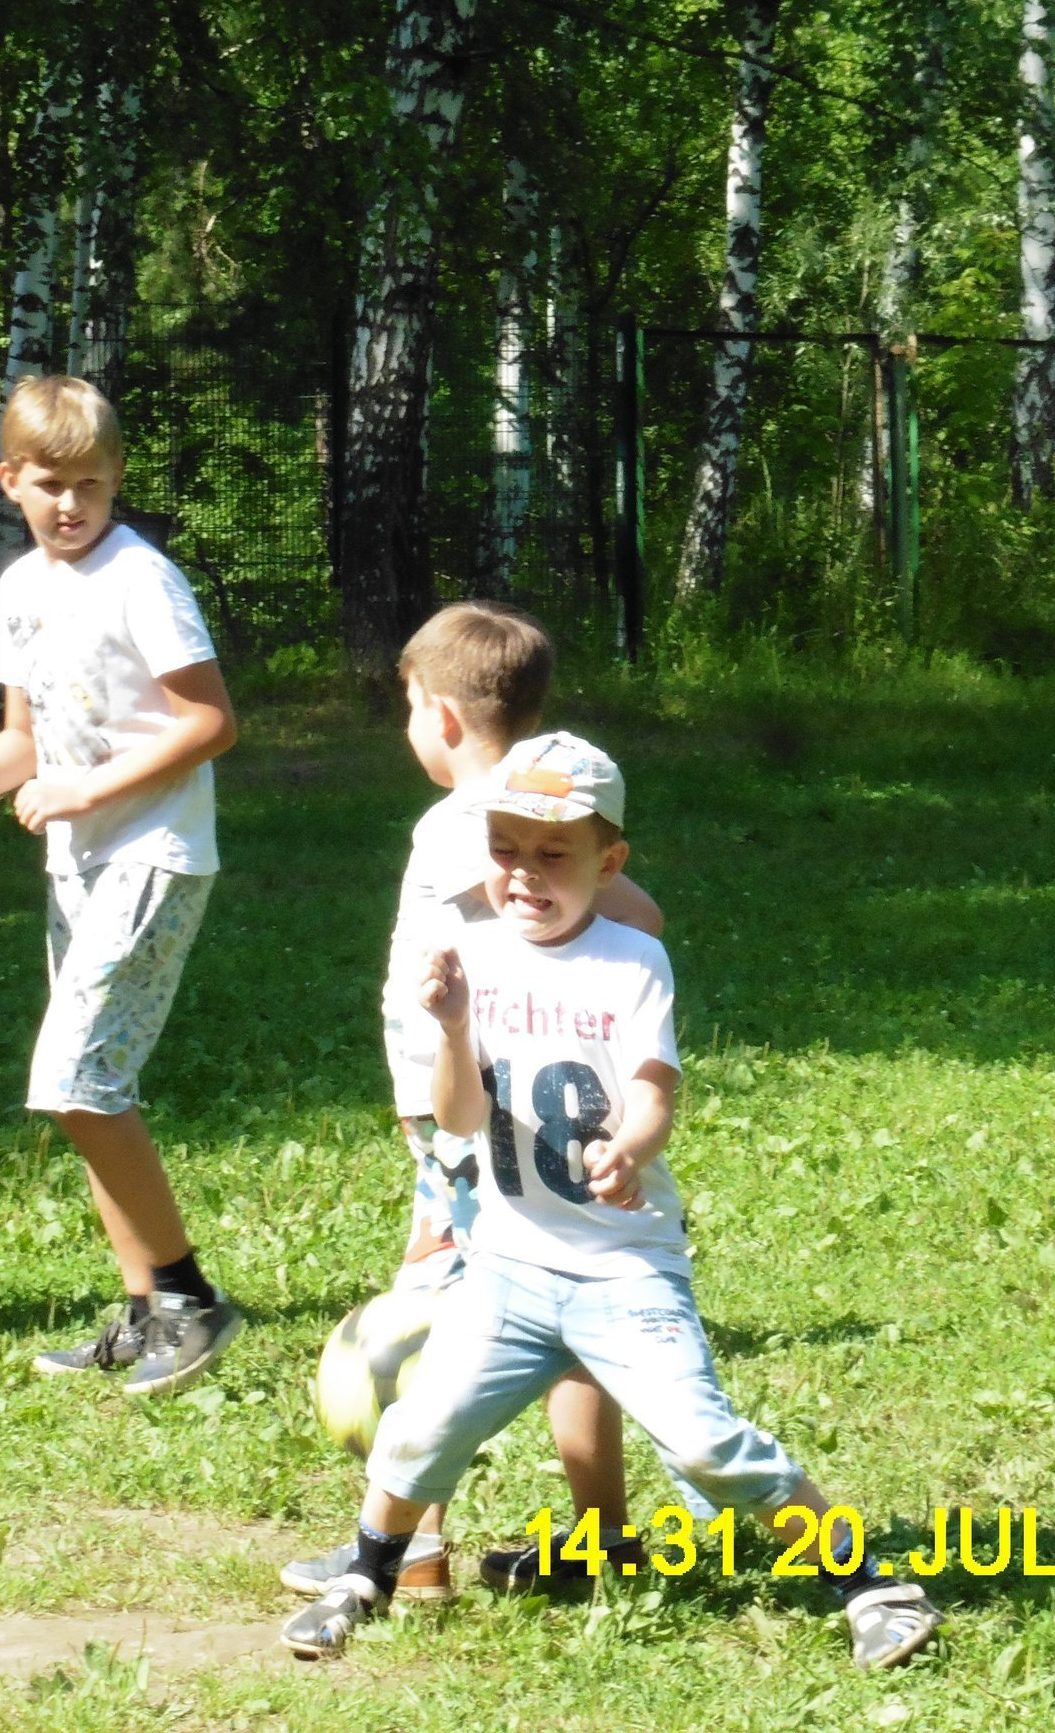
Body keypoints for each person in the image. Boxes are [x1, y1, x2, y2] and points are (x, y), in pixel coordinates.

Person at [279, 733, 940, 1671]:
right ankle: (368, 1573)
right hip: (507, 1269)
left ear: (609, 862)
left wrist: (630, 1149)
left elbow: (654, 1092)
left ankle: (869, 1582)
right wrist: (453, 1028)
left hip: (623, 1271)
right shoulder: (467, 952)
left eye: (554, 856)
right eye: (507, 850)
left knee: (707, 1446)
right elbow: (459, 1117)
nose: (525, 875)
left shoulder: (631, 961)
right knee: (421, 1427)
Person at [280, 605, 666, 1607]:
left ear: (442, 718)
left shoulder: (470, 824)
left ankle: (413, 1556)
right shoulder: (546, 815)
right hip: (556, 1110)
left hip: (470, 1122)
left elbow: (633, 919)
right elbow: (643, 916)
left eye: (407, 706)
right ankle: (603, 1540)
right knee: (575, 1311)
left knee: (435, 1322)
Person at [0, 374, 240, 1395]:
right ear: (10, 481)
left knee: (73, 1078)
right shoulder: (19, 588)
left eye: (91, 484)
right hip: (77, 865)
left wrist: (85, 786)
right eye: (49, 484)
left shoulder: (141, 579)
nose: (71, 504)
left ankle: (189, 1299)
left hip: (155, 854)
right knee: (89, 1090)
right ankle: (144, 1310)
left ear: (116, 481)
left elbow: (209, 722)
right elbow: (22, 740)